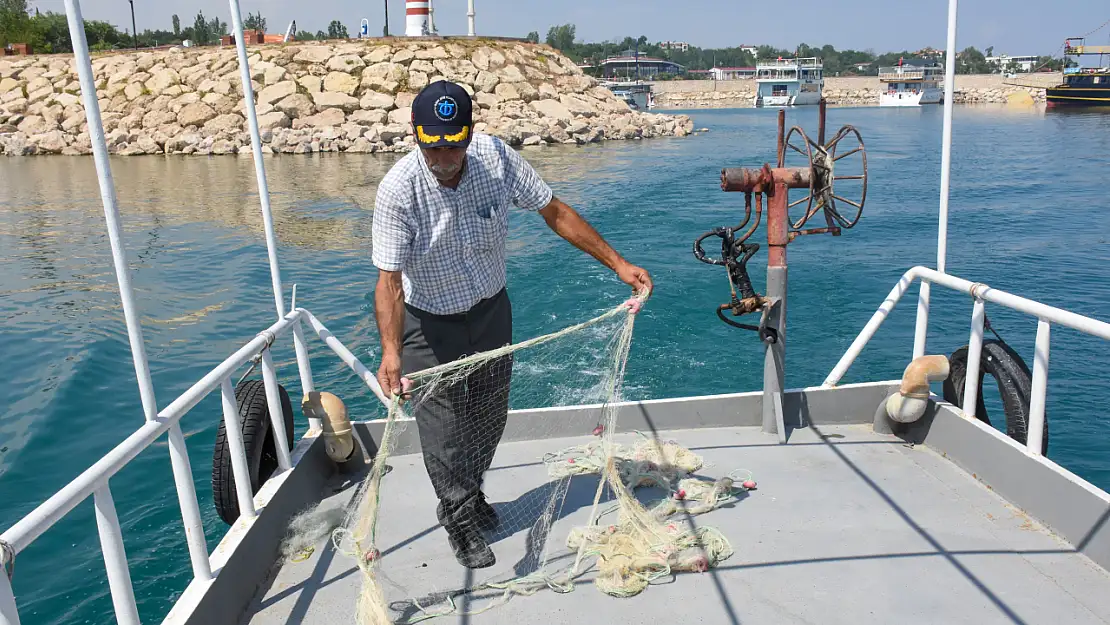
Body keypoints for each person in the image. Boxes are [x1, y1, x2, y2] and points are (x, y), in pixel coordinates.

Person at [372, 80, 652, 569]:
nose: (442, 156)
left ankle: (469, 494)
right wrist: (392, 351)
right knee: (442, 430)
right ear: (416, 137)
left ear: (470, 133)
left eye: (452, 144)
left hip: (489, 312)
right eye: (431, 145)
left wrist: (618, 264)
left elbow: (555, 211)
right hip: (428, 322)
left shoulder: (494, 160)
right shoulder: (398, 190)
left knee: (488, 416)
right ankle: (458, 518)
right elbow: (389, 282)